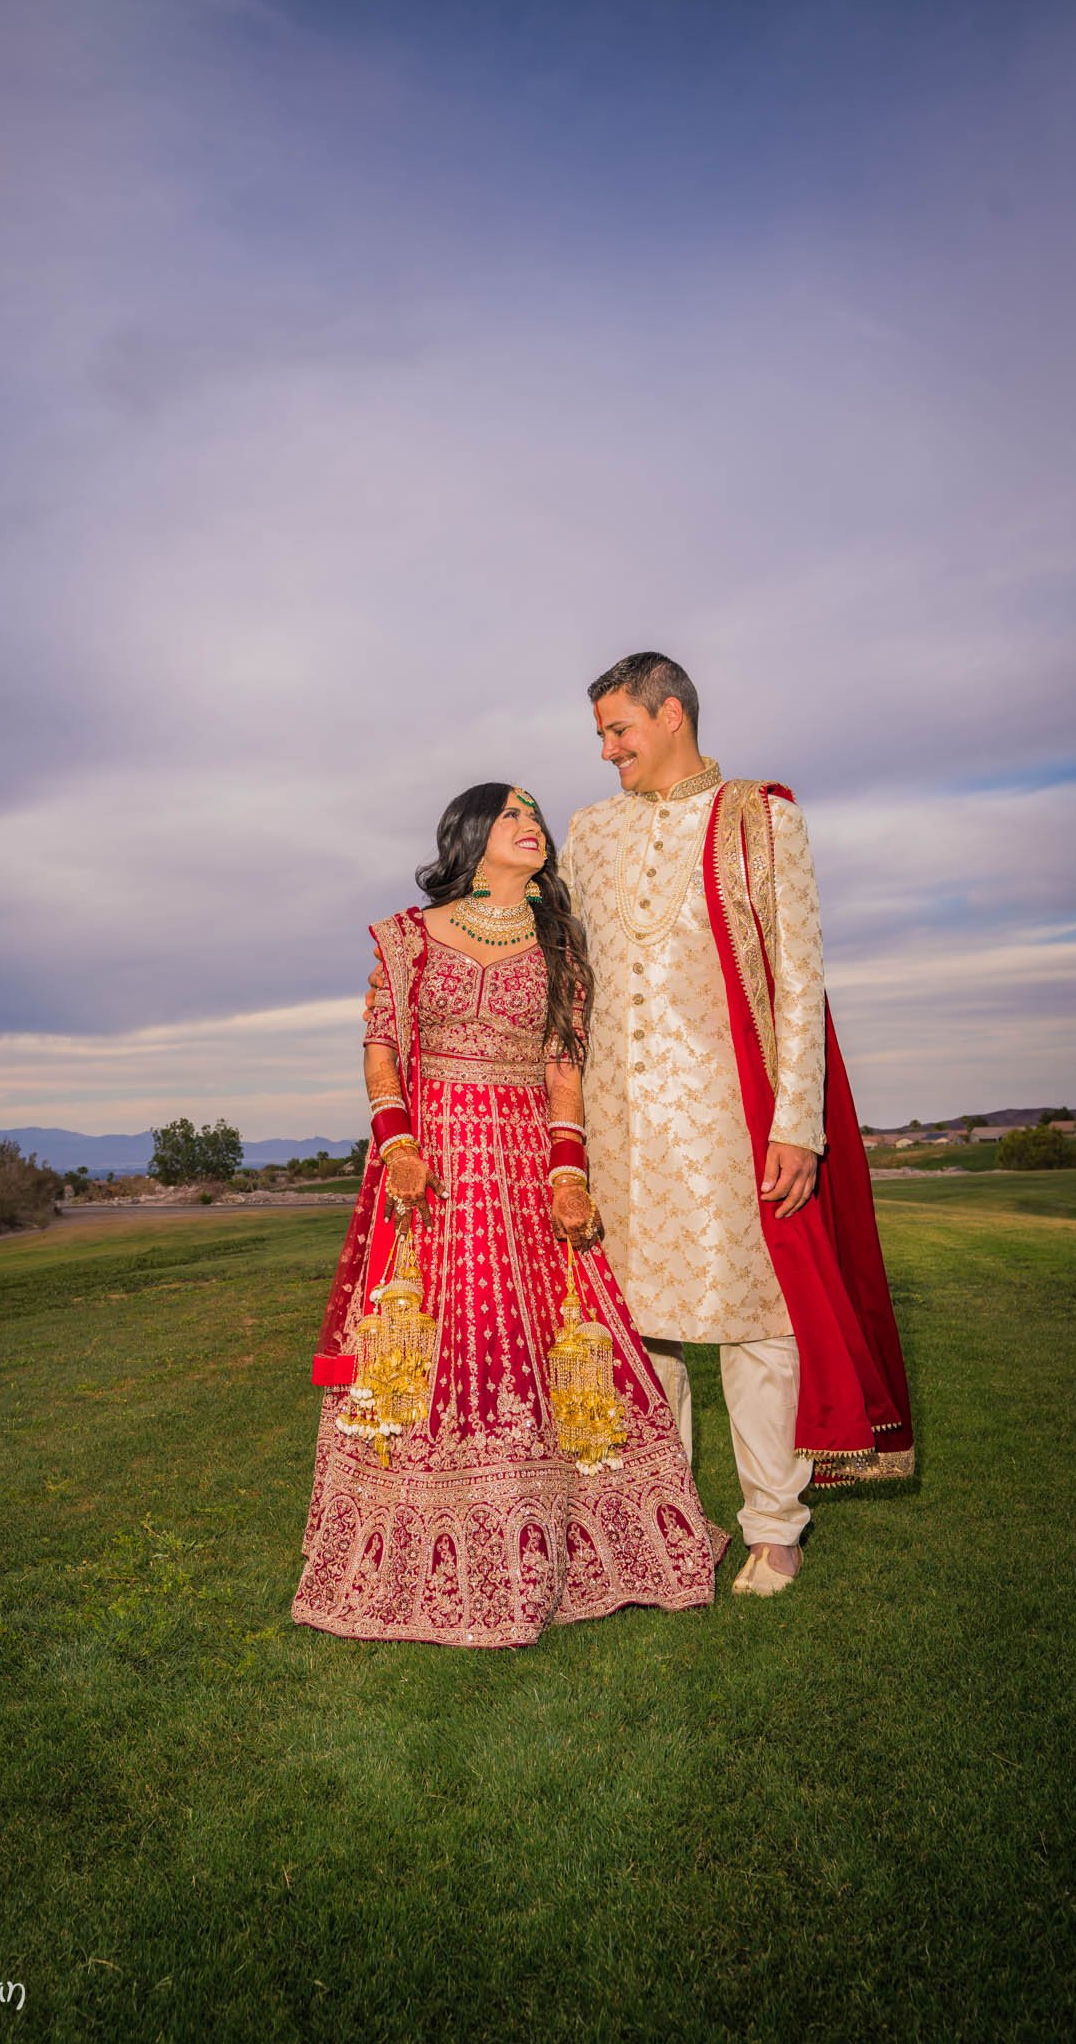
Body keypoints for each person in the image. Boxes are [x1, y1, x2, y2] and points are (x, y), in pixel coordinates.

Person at [293, 783, 726, 1647]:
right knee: (430, 1338)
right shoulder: (407, 939)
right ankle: (415, 1552)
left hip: (525, 1163)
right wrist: (398, 1146)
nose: (529, 829)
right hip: (434, 1167)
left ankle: (580, 1547)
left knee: (549, 1340)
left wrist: (569, 1173)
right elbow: (380, 1050)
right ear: (470, 837)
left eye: (534, 819)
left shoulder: (559, 943)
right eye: (510, 818)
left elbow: (562, 1067)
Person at [558, 652, 914, 1596]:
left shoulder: (760, 816)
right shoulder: (587, 834)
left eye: (617, 730)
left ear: (670, 714)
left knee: (758, 1322)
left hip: (727, 1114)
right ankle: (667, 1525)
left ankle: (774, 1526)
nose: (605, 751)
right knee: (636, 1332)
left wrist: (796, 1121)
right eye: (599, 734)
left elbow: (798, 976)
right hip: (613, 1120)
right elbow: (568, 975)